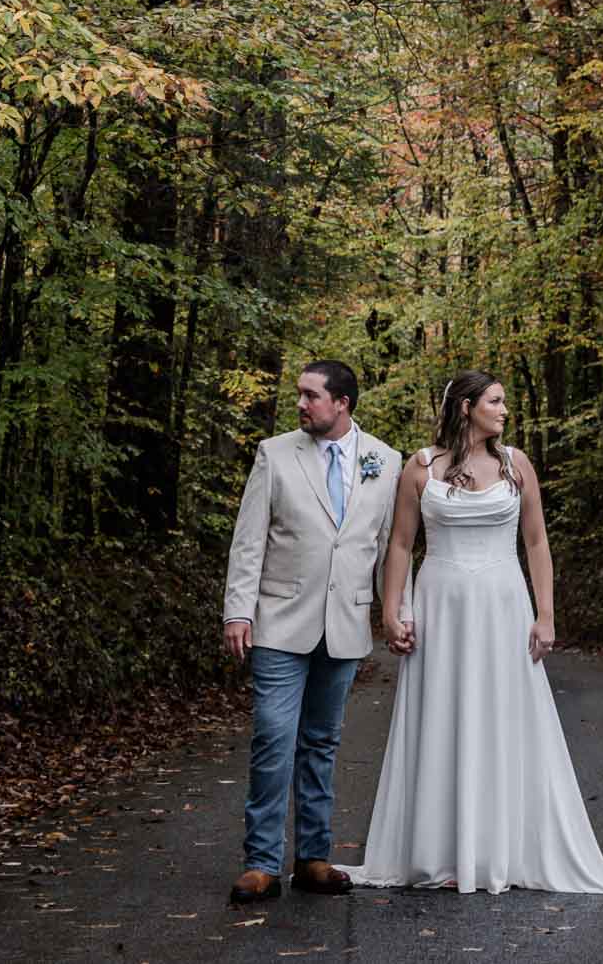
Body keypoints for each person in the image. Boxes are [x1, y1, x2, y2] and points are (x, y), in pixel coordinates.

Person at [345, 369, 603, 895]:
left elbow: (536, 544)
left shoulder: (517, 465)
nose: (504, 410)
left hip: (504, 603)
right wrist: (392, 612)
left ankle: (503, 847)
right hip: (442, 605)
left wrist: (545, 615)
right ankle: (441, 848)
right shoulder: (421, 468)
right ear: (466, 407)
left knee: (504, 715)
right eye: (495, 401)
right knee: (443, 715)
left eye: (504, 401)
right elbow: (399, 545)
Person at [221, 359, 401, 904]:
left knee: (322, 743)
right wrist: (238, 610)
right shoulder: (274, 454)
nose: (300, 404)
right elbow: (249, 538)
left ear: (342, 402)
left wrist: (397, 612)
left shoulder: (385, 461)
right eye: (299, 395)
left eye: (310, 395)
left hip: (345, 622)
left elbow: (392, 547)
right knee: (274, 738)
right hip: (279, 620)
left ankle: (314, 858)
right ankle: (260, 863)